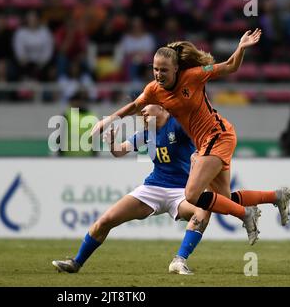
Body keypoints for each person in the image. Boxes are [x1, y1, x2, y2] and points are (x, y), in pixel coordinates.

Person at [91, 29, 290, 245]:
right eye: (155, 69)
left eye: (164, 70)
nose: (158, 74)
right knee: (223, 199)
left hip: (218, 134)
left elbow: (230, 66)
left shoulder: (194, 76)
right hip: (208, 141)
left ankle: (245, 214)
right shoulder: (153, 90)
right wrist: (107, 120)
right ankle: (276, 196)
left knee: (192, 195)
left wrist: (240, 48)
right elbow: (134, 106)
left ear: (176, 69)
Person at [53, 104, 211, 275]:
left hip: (182, 191)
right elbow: (119, 152)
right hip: (153, 188)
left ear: (161, 107)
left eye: (146, 107)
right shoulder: (146, 132)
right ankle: (76, 263)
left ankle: (179, 260)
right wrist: (112, 142)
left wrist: (200, 154)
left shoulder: (178, 124)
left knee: (203, 211)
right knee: (106, 220)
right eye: (141, 109)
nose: (142, 111)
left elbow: (204, 137)